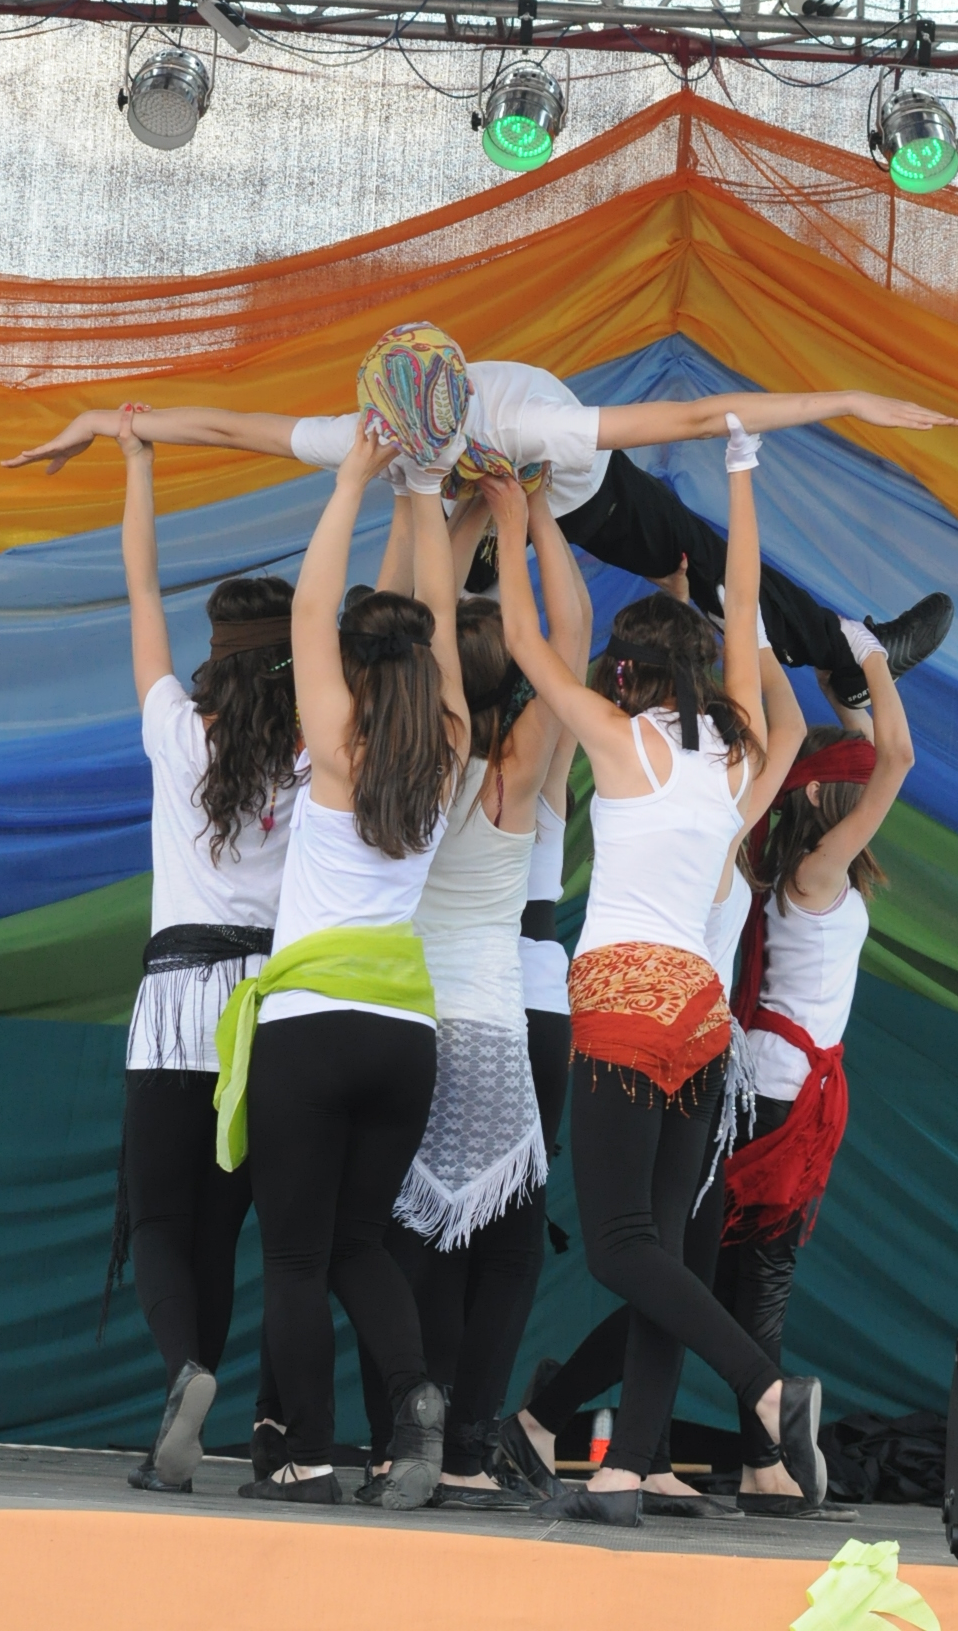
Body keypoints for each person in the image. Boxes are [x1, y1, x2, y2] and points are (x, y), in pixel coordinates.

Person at [483, 415, 827, 1527]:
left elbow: (526, 639)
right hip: (702, 1020)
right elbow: (745, 610)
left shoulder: (616, 738)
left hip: (623, 1003)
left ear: (623, 675)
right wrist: (741, 471)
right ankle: (626, 1465)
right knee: (666, 1248)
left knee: (626, 1248)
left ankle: (763, 1386)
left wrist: (517, 514)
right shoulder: (740, 755)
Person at [1, 321, 958, 709]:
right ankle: (447, 716)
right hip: (474, 521)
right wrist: (107, 422)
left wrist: (848, 400)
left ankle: (847, 655)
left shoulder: (528, 423)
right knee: (423, 623)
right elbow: (228, 427)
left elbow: (700, 418)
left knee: (694, 554)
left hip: (577, 496)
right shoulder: (370, 434)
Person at [211, 426, 469, 1509]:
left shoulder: (336, 743)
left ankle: (305, 1459)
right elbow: (437, 617)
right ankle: (413, 1394)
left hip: (311, 1026)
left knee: (295, 1260)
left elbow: (309, 609)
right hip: (405, 1036)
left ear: (359, 671)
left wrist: (356, 478)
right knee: (361, 1241)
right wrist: (424, 493)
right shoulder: (449, 745)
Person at [359, 476, 588, 1509]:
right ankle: (462, 1448)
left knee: (410, 1239)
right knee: (506, 1249)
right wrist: (523, 517)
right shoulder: (516, 767)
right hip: (494, 1027)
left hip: (412, 1018)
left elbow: (428, 634)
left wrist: (436, 513)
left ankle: (395, 1439)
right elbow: (569, 640)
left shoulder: (420, 752)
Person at [103, 405, 304, 1496]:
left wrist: (137, 460)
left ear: (214, 660)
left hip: (177, 996)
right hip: (268, 1007)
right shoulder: (316, 757)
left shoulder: (175, 727)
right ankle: (213, 1411)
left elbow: (141, 588)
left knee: (156, 1217)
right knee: (224, 1228)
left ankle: (184, 1371)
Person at [716, 643, 913, 1517]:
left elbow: (869, 756)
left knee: (728, 1280)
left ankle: (758, 1461)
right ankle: (761, 1462)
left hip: (776, 1087)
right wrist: (873, 657)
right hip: (781, 1096)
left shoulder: (801, 866)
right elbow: (895, 760)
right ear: (836, 803)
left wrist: (843, 692)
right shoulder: (817, 872)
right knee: (753, 1281)